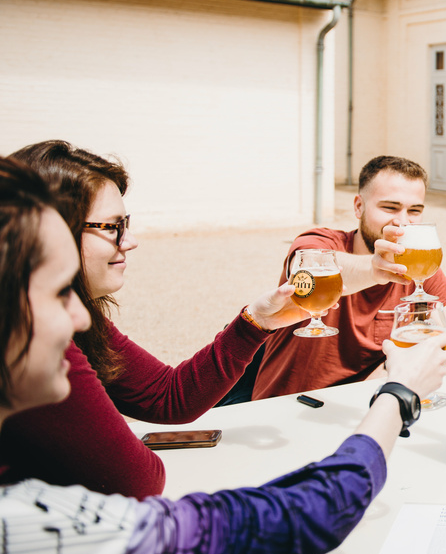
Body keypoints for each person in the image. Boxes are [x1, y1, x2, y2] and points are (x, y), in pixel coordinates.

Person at [0, 155, 446, 554]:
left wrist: (254, 322)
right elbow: (148, 486)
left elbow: (167, 397)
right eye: (58, 291)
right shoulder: (25, 524)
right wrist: (397, 394)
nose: (78, 316)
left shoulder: (69, 328)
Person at [0, 140, 318, 499]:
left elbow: (169, 396)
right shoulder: (29, 335)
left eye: (127, 223)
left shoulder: (64, 313)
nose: (130, 241)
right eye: (112, 227)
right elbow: (134, 480)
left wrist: (255, 322)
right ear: (47, 230)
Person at [252, 155, 446, 400]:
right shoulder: (318, 243)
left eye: (414, 210)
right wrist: (375, 268)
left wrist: (394, 368)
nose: (402, 222)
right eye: (389, 207)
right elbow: (312, 268)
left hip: (367, 407)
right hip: (287, 408)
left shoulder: (417, 266)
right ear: (359, 206)